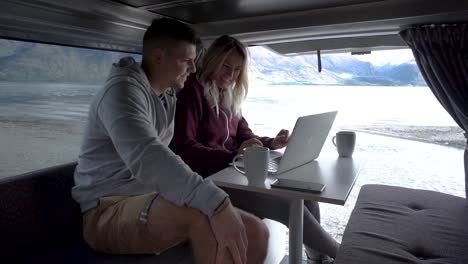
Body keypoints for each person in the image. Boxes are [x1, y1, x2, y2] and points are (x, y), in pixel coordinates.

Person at [72, 19, 269, 264]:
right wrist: (217, 202)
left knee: (256, 232)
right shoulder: (121, 94)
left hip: (151, 198)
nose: (194, 69)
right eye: (186, 60)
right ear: (158, 57)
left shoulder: (166, 96)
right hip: (107, 210)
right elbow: (149, 156)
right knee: (202, 214)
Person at [170, 35, 339, 263]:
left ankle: (319, 258)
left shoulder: (228, 96)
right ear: (212, 61)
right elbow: (184, 149)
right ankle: (345, 253)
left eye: (238, 70)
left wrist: (270, 143)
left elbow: (244, 135)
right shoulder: (192, 93)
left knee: (305, 194)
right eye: (226, 66)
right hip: (210, 180)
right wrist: (234, 156)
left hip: (233, 172)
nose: (231, 75)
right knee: (288, 203)